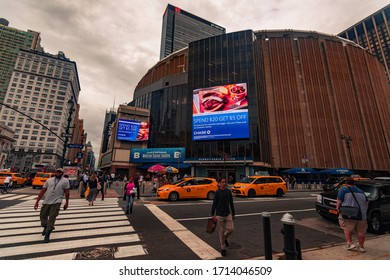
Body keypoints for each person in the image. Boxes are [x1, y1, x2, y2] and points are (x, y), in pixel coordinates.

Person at [33, 168, 70, 243]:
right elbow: (43, 191)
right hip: (47, 200)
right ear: (55, 172)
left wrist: (66, 202)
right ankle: (45, 226)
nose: (58, 173)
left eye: (60, 172)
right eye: (57, 172)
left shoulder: (65, 181)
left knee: (52, 216)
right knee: (42, 215)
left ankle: (47, 234)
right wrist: (37, 202)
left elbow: (67, 192)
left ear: (62, 173)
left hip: (57, 201)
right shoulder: (49, 180)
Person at [336, 177, 368, 252]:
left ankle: (350, 243)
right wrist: (364, 211)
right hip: (361, 215)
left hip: (349, 214)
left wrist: (338, 208)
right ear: (354, 183)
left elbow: (339, 201)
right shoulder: (361, 191)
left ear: (346, 183)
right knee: (361, 231)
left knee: (347, 228)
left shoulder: (343, 189)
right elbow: (366, 203)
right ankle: (361, 246)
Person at [211, 177, 236, 257]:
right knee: (220, 232)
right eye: (222, 182)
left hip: (228, 214)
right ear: (219, 183)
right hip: (219, 215)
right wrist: (212, 214)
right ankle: (223, 248)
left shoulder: (228, 192)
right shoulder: (217, 192)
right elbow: (214, 204)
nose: (224, 183)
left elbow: (231, 203)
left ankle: (225, 238)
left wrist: (233, 213)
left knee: (231, 229)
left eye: (225, 182)